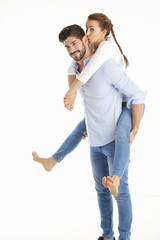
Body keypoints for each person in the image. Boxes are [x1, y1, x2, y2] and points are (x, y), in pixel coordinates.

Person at [33, 13, 145, 196]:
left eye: (91, 29)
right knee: (80, 129)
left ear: (104, 31)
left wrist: (71, 92)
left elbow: (88, 71)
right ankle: (53, 160)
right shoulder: (92, 46)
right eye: (86, 29)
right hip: (109, 107)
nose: (88, 33)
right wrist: (74, 97)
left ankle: (116, 179)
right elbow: (73, 67)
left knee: (122, 135)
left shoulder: (107, 47)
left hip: (128, 104)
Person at [56, 24, 146, 240]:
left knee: (121, 192)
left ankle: (124, 237)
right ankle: (107, 236)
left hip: (115, 139)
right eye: (67, 46)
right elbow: (91, 107)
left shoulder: (105, 66)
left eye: (74, 43)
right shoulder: (75, 70)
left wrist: (134, 128)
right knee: (101, 191)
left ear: (86, 40)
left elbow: (136, 94)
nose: (71, 49)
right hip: (94, 143)